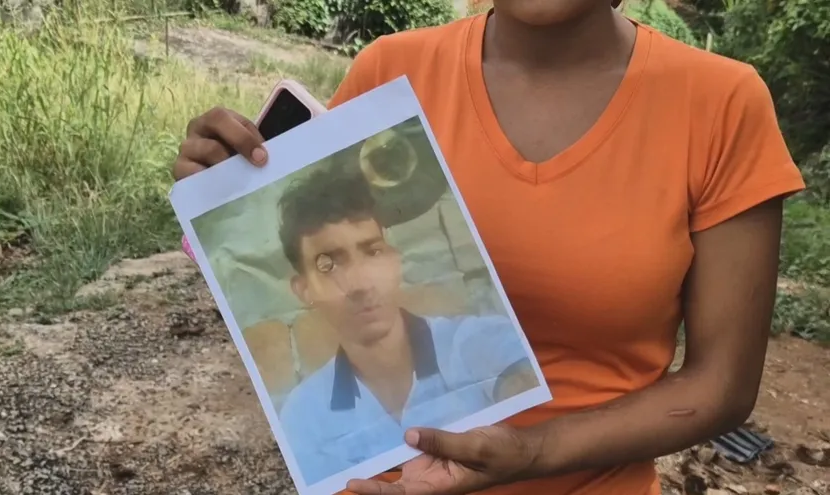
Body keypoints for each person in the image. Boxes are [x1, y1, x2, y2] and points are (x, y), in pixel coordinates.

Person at [171, 0, 807, 493]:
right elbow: (302, 267)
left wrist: (535, 451)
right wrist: (218, 194)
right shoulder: (391, 71)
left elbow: (723, 386)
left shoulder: (720, 104)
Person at [275, 166, 535, 485]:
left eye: (373, 252)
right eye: (328, 265)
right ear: (304, 290)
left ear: (394, 262)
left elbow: (524, 385)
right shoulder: (303, 417)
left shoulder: (479, 340)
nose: (360, 284)